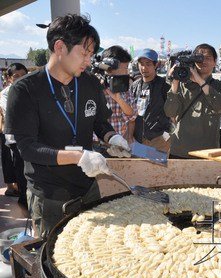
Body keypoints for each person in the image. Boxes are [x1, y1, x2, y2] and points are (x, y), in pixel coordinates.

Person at [4, 14, 130, 237]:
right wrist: (78, 157)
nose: (89, 61)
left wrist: (112, 137)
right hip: (49, 193)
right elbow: (27, 148)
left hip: (88, 186)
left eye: (91, 55)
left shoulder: (90, 83)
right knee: (53, 255)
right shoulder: (25, 90)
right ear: (60, 47)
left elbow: (99, 122)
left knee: (97, 246)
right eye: (84, 53)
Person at [164, 43, 221, 158]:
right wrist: (174, 83)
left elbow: (220, 106)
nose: (203, 61)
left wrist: (200, 81)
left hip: (207, 151)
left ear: (215, 62)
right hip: (180, 150)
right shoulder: (182, 85)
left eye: (208, 58)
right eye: (199, 58)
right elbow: (170, 112)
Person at [131, 48, 171, 153]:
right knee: (140, 168)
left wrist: (166, 135)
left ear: (155, 65)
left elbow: (173, 113)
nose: (144, 68)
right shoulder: (134, 86)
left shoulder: (164, 86)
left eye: (148, 64)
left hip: (158, 140)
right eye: (141, 64)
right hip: (138, 139)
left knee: (157, 168)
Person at [0, 63, 28, 203]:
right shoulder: (5, 94)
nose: (20, 79)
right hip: (15, 139)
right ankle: (23, 199)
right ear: (10, 78)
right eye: (16, 76)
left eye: (23, 75)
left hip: (33, 137)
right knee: (21, 169)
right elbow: (12, 113)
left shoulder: (32, 90)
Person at [99, 46, 137, 146]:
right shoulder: (96, 88)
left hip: (122, 144)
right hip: (102, 145)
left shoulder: (125, 87)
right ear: (109, 67)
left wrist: (118, 99)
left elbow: (132, 115)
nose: (127, 72)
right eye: (125, 68)